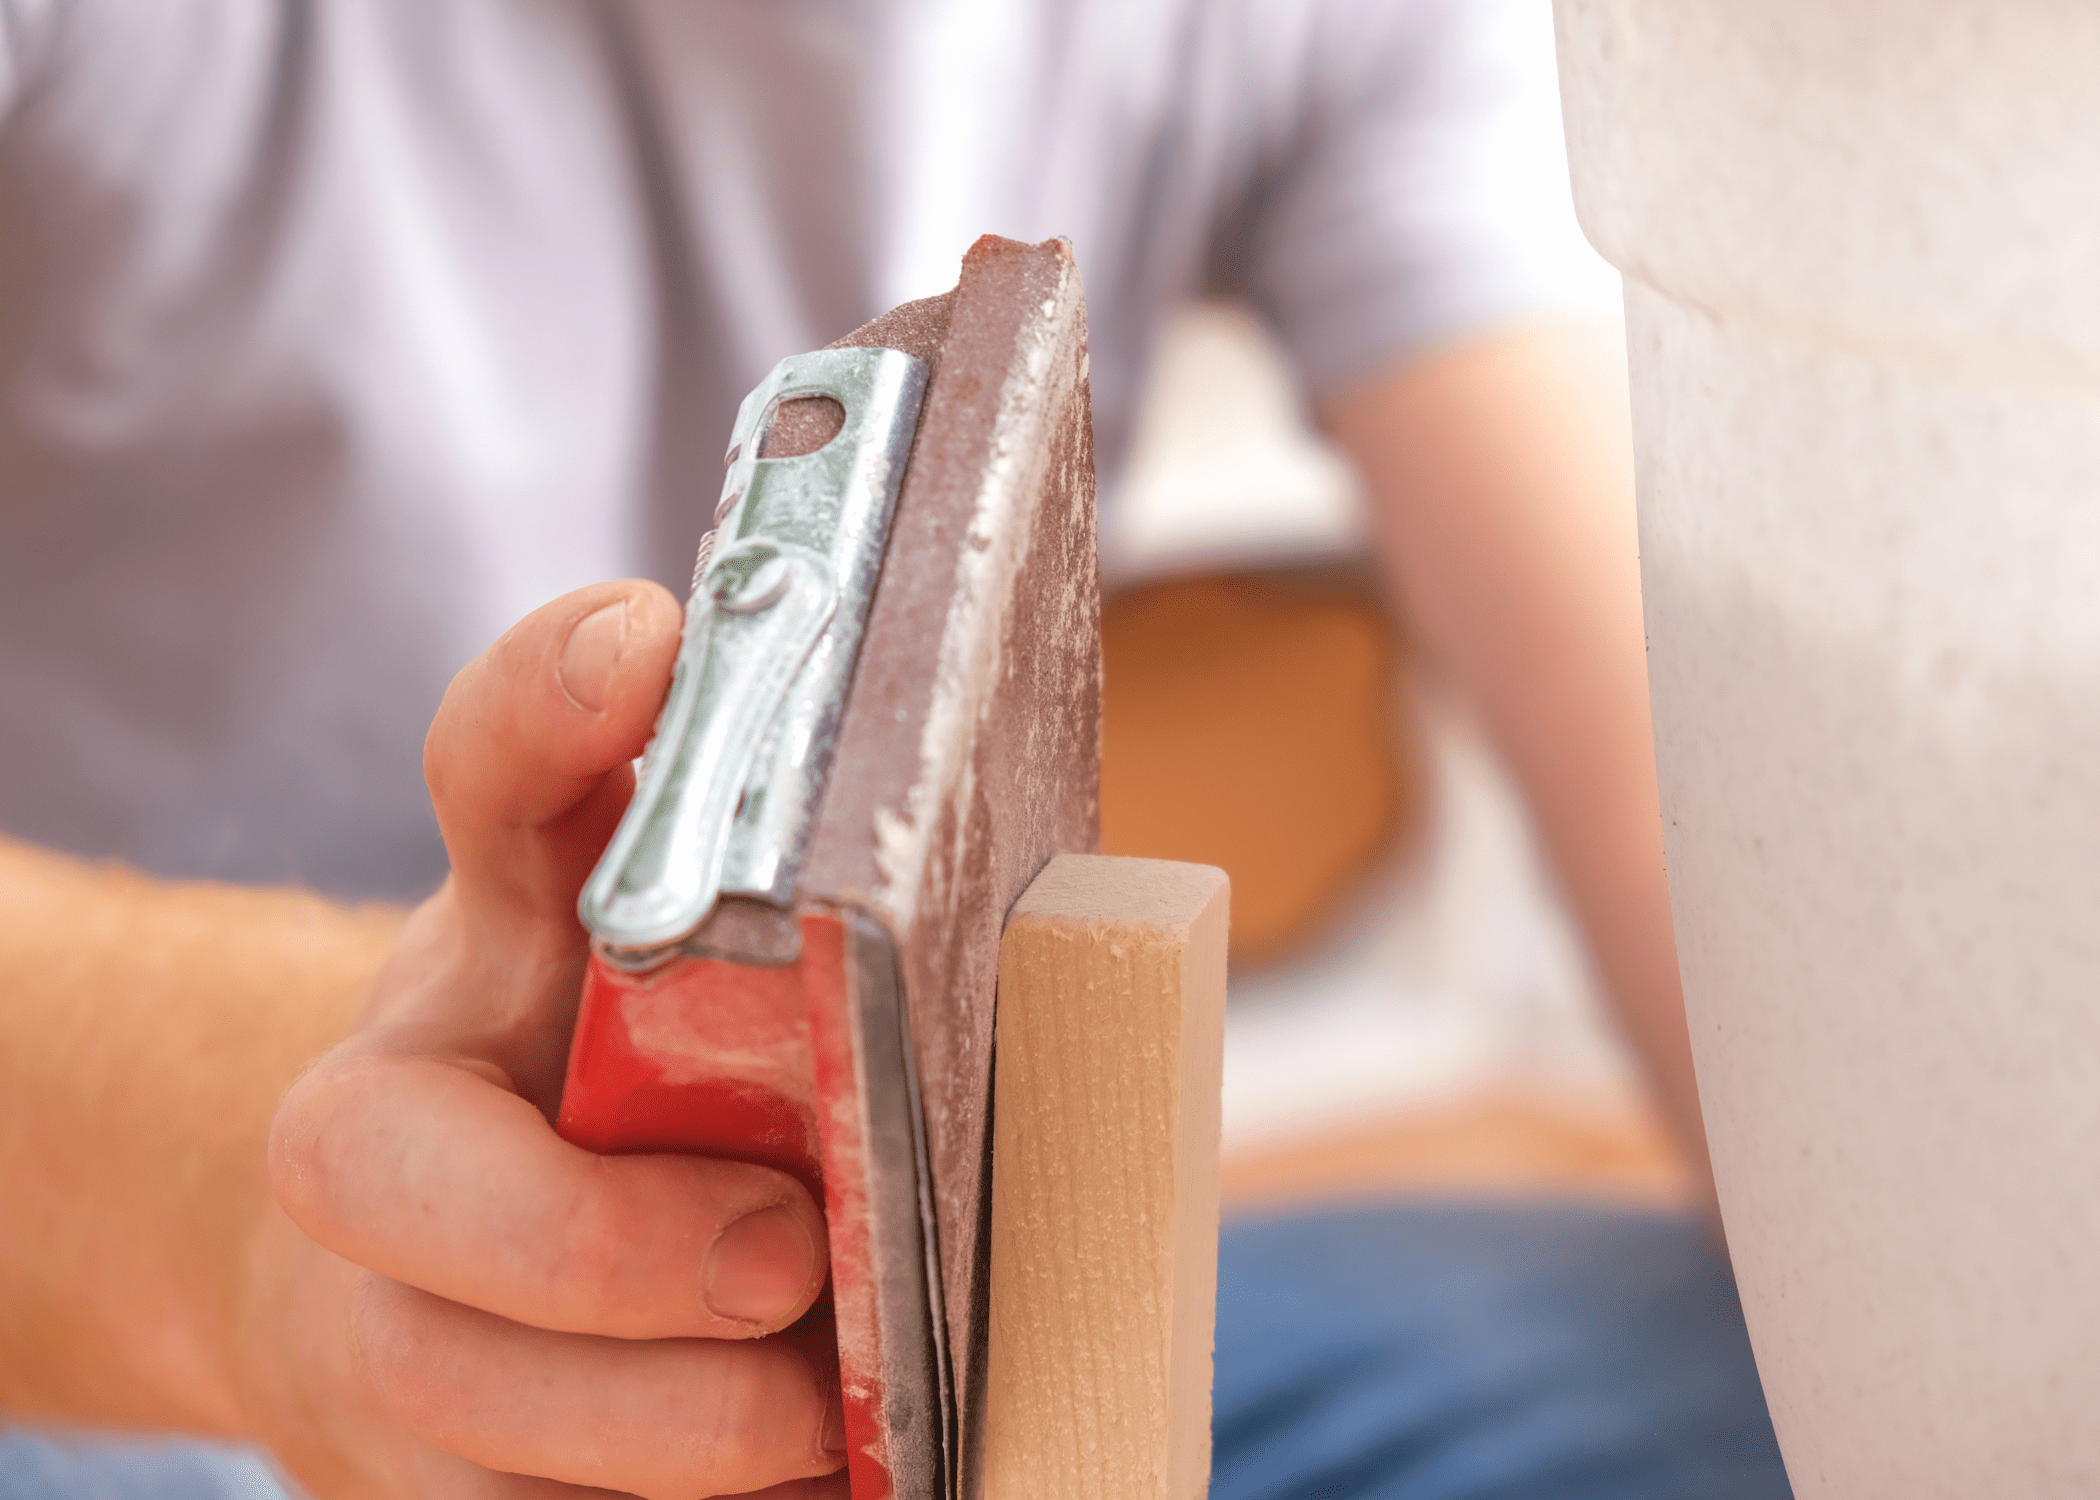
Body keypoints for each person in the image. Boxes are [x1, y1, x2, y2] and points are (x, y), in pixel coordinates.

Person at [0, 2, 1790, 1496]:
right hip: (160, 1303)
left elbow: (1706, 861)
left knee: (1768, 1407)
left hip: (861, 1347)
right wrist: (255, 1237)